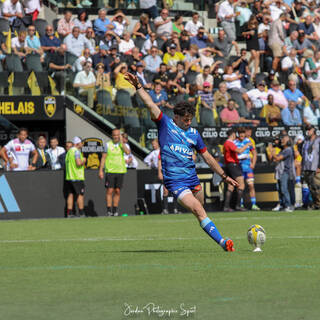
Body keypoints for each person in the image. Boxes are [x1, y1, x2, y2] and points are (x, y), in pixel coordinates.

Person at [124, 72, 238, 252]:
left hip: (193, 179)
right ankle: (224, 243)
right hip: (176, 182)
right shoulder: (165, 124)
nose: (188, 122)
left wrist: (223, 176)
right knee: (198, 211)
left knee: (201, 209)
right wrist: (138, 86)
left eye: (190, 119)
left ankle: (211, 229)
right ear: (176, 117)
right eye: (185, 120)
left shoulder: (194, 134)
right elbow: (149, 103)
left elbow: (207, 157)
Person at [98, 129, 130, 217]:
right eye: (114, 135)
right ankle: (109, 210)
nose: (116, 137)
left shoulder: (122, 145)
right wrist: (101, 170)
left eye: (117, 135)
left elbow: (128, 152)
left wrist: (121, 142)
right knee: (109, 190)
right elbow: (103, 158)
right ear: (112, 136)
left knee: (117, 191)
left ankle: (115, 210)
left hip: (120, 170)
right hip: (110, 171)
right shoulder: (107, 145)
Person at [223, 129, 252, 212]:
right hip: (233, 165)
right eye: (235, 135)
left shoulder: (226, 143)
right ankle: (238, 205)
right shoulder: (229, 143)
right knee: (241, 184)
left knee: (231, 186)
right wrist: (247, 145)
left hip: (229, 165)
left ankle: (226, 206)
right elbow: (239, 151)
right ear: (232, 135)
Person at [235, 128, 260, 210]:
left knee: (251, 185)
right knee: (240, 187)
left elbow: (254, 153)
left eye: (243, 133)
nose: (242, 135)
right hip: (239, 167)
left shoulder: (248, 142)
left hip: (248, 167)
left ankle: (253, 204)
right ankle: (240, 204)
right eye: (240, 133)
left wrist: (253, 163)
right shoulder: (235, 142)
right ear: (238, 134)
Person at [270, 135, 295, 212]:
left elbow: (277, 158)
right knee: (279, 189)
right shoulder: (283, 150)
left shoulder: (288, 150)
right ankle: (282, 204)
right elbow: (273, 159)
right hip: (280, 171)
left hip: (285, 171)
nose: (282, 141)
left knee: (284, 189)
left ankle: (289, 205)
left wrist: (272, 151)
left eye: (284, 140)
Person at [65, 136, 86, 218]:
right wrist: (84, 160)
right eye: (81, 143)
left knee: (70, 195)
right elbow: (78, 163)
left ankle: (69, 213)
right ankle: (81, 213)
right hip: (77, 177)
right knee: (80, 195)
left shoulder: (69, 152)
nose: (82, 144)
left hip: (69, 177)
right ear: (77, 144)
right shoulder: (76, 152)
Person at [301, 125, 320, 209]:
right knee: (311, 188)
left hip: (315, 167)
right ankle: (316, 204)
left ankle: (318, 203)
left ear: (314, 130)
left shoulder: (318, 140)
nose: (308, 131)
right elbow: (303, 153)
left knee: (317, 187)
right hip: (307, 167)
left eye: (309, 130)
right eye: (307, 130)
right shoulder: (305, 141)